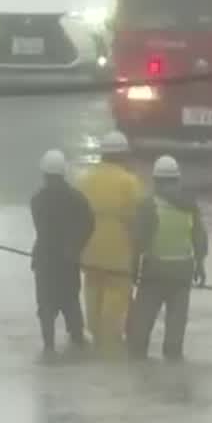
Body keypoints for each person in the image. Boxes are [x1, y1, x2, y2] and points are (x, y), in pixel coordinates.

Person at [127, 155, 208, 360]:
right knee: (174, 342)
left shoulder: (148, 205)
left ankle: (140, 382)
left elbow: (138, 242)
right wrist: (200, 265)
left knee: (139, 338)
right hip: (182, 274)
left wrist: (133, 270)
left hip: (153, 274)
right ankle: (174, 384)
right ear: (177, 180)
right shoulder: (190, 206)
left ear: (155, 181)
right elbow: (199, 238)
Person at [76, 131, 145, 354]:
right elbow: (140, 220)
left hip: (89, 253)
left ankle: (95, 342)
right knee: (115, 304)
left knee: (93, 294)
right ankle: (109, 352)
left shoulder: (84, 179)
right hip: (119, 256)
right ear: (123, 155)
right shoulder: (130, 183)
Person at [30, 149, 95, 355]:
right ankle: (78, 344)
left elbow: (43, 229)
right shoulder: (78, 199)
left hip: (45, 262)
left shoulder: (37, 200)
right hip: (69, 262)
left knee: (46, 308)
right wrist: (76, 248)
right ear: (64, 172)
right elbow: (89, 225)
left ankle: (48, 348)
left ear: (44, 174)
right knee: (71, 304)